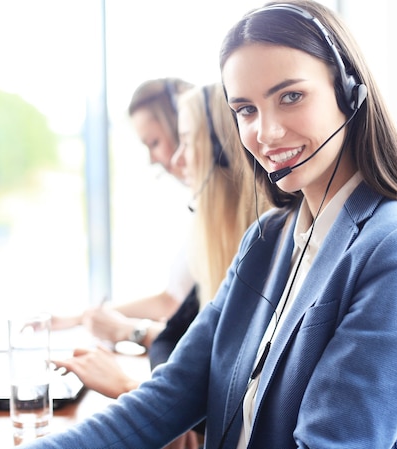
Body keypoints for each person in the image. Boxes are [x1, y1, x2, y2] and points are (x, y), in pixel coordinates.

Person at [20, 2, 397, 448]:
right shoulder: (266, 240)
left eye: (290, 96)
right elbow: (165, 400)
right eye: (245, 110)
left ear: (348, 93)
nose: (266, 132)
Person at [51, 83, 271, 448]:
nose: (174, 159)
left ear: (222, 150)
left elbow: (245, 409)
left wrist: (130, 386)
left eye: (181, 141)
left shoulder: (266, 246)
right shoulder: (243, 241)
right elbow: (190, 341)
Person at [52, 78, 195, 351]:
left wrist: (129, 330)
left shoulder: (232, 216)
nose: (154, 159)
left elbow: (208, 341)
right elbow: (171, 299)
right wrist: (82, 318)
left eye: (154, 142)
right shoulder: (200, 208)